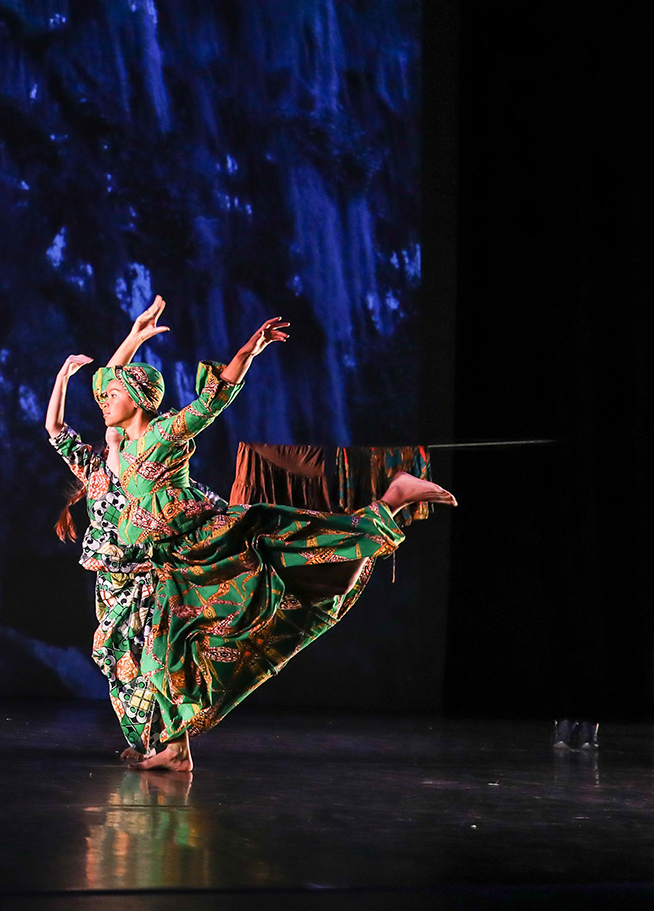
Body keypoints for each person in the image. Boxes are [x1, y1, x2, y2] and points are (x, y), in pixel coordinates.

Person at [77, 297, 456, 772]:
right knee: (163, 651)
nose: (103, 401)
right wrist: (134, 336)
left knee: (289, 563)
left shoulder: (165, 434)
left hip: (208, 550)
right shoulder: (125, 441)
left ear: (136, 399)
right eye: (105, 396)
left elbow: (212, 400)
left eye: (113, 396)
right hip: (165, 568)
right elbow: (109, 379)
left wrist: (247, 353)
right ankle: (175, 749)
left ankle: (391, 501)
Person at [43, 352, 221, 761]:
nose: (105, 403)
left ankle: (176, 748)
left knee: (152, 660)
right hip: (109, 581)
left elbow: (123, 393)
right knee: (116, 658)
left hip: (146, 577)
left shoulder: (143, 468)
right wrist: (63, 375)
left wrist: (118, 442)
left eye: (114, 397)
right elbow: (56, 426)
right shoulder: (96, 473)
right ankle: (148, 743)